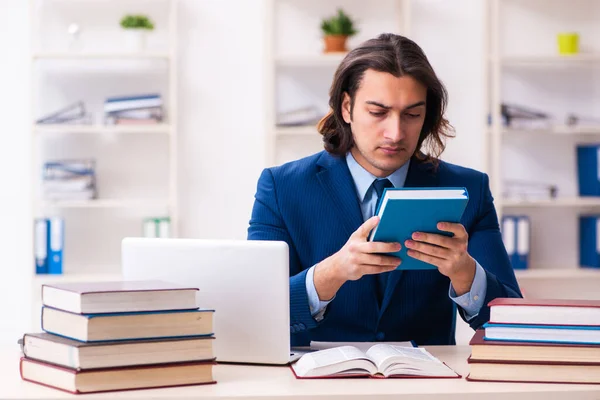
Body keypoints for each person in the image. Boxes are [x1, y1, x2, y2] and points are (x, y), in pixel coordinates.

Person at [248, 33, 522, 346]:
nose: (395, 133)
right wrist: (333, 272)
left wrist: (465, 273)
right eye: (378, 112)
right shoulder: (282, 187)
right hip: (316, 384)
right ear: (347, 108)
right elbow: (256, 312)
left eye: (412, 114)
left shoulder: (469, 189)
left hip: (427, 386)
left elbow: (512, 322)